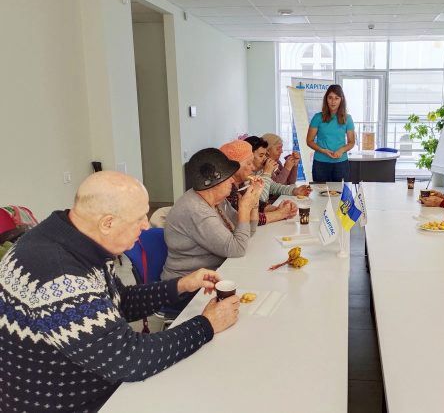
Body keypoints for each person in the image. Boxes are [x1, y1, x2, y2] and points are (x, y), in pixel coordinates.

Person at [0, 171, 240, 412]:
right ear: (107, 223)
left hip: (87, 378)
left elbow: (119, 302)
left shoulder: (74, 239)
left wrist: (180, 285)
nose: (146, 225)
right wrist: (206, 324)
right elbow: (129, 359)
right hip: (69, 403)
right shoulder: (60, 276)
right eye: (139, 219)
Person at [161, 148, 263, 281]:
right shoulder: (197, 210)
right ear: (213, 183)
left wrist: (254, 202)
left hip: (216, 273)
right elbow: (237, 249)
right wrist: (244, 209)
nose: (233, 181)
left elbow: (248, 231)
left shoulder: (216, 200)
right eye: (228, 177)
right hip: (190, 287)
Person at [220, 139, 297, 225]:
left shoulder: (240, 184)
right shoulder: (227, 189)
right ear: (234, 166)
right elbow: (247, 218)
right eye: (249, 163)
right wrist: (281, 213)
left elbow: (257, 205)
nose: (252, 168)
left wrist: (277, 209)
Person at [306, 84, 356, 182]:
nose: (333, 101)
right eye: (330, 98)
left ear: (341, 100)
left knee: (341, 195)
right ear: (326, 99)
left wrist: (341, 150)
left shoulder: (347, 118)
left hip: (341, 164)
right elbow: (309, 141)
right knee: (320, 194)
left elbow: (351, 142)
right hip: (321, 164)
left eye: (336, 98)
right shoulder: (317, 117)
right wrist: (323, 151)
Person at [245, 135, 311, 203]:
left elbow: (276, 186)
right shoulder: (248, 176)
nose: (281, 151)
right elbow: (262, 200)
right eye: (261, 155)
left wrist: (295, 190)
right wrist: (267, 173)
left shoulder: (260, 170)